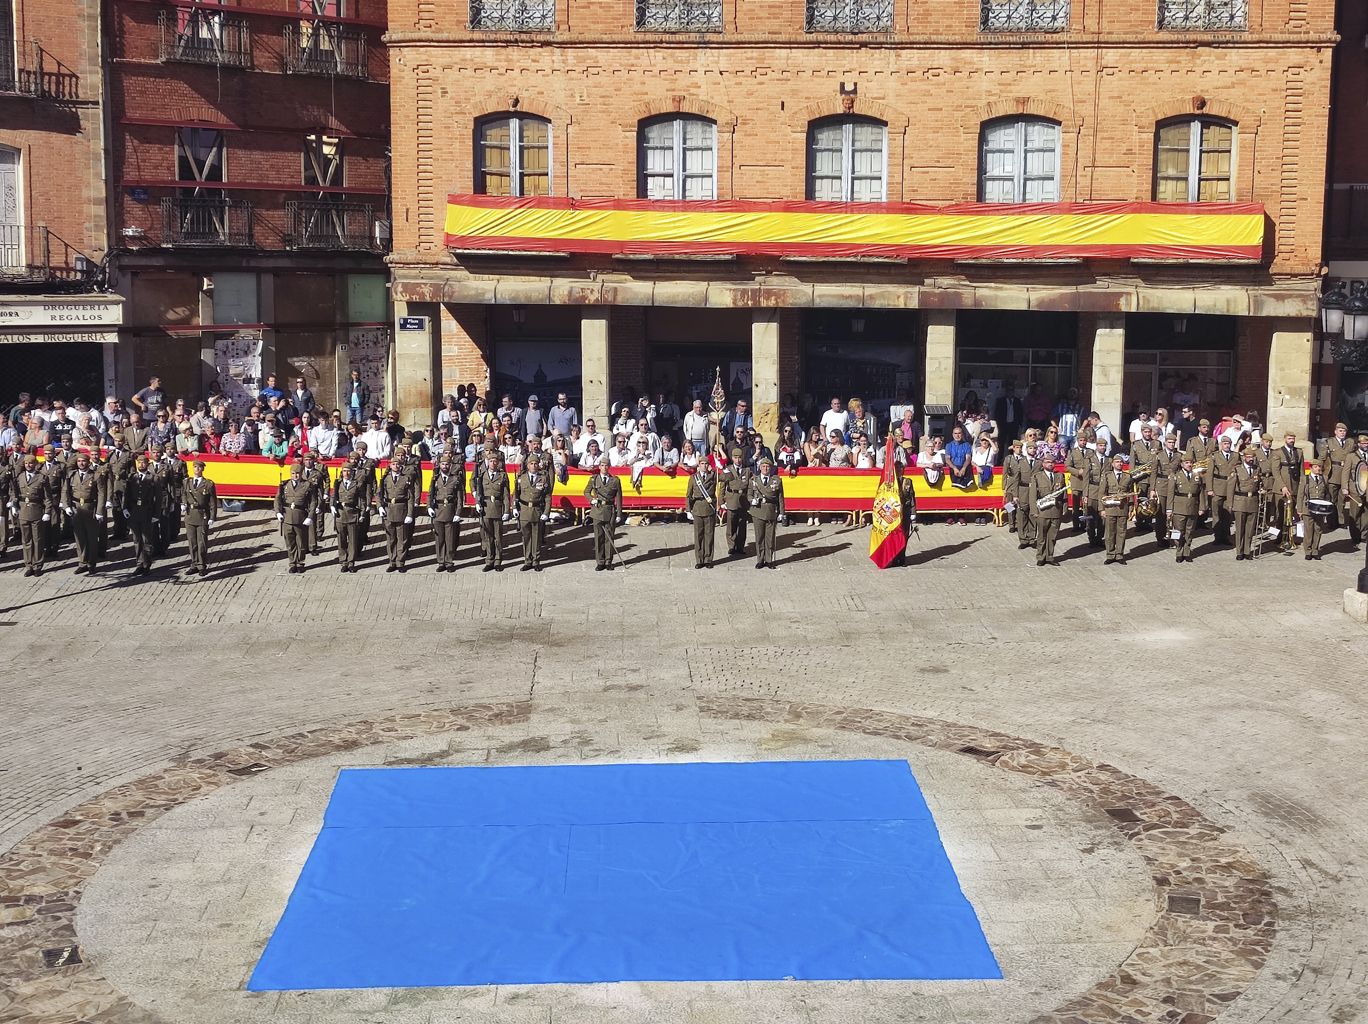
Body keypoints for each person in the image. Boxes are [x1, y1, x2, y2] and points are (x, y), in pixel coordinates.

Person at [61, 451, 104, 574]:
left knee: (91, 537)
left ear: (88, 462)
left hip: (90, 508)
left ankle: (92, 563)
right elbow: (65, 491)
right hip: (76, 509)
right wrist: (66, 505)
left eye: (84, 461)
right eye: (79, 461)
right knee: (79, 538)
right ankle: (82, 562)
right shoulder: (71, 475)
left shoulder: (95, 475)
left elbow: (101, 493)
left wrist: (100, 511)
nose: (81, 463)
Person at [13, 454, 54, 576]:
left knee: (37, 540)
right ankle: (28, 564)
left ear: (35, 464)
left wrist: (47, 512)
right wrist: (14, 506)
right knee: (26, 540)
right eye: (26, 463)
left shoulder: (42, 478)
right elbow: (15, 493)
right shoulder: (20, 477)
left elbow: (48, 497)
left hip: (36, 511)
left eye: (30, 463)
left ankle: (38, 565)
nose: (28, 465)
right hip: (23, 511)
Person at [124, 454, 164, 576]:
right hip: (134, 510)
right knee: (136, 539)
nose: (141, 464)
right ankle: (139, 564)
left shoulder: (153, 478)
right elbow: (127, 494)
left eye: (144, 462)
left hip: (147, 510)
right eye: (139, 462)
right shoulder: (132, 477)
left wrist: (156, 514)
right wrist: (125, 508)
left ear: (148, 464)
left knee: (146, 539)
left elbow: (158, 498)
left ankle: (147, 564)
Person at [376, 452, 415, 573]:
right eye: (393, 464)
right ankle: (392, 561)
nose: (396, 466)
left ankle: (400, 562)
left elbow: (410, 497)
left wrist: (410, 514)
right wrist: (379, 507)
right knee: (391, 538)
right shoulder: (385, 479)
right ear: (390, 465)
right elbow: (379, 494)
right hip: (388, 510)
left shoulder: (405, 479)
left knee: (401, 538)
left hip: (401, 509)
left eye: (397, 464)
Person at [473, 448, 511, 571]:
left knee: (498, 537)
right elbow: (479, 492)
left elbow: (506, 495)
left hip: (498, 508)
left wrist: (506, 511)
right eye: (491, 461)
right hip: (486, 508)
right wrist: (477, 503)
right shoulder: (482, 476)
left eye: (495, 461)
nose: (493, 463)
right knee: (488, 536)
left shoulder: (502, 476)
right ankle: (489, 560)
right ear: (487, 462)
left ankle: (498, 560)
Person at [274, 461, 314, 574]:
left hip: (300, 517)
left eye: (297, 473)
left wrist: (310, 516)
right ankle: (292, 563)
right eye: (293, 473)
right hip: (287, 517)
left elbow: (313, 502)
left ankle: (300, 563)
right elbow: (277, 499)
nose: (295, 475)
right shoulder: (284, 485)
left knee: (301, 543)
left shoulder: (307, 485)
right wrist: (278, 512)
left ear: (301, 473)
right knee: (290, 543)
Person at [515, 452, 552, 571]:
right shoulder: (521, 478)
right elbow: (515, 494)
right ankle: (527, 560)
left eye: (536, 463)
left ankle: (536, 561)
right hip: (525, 510)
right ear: (527, 465)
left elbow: (547, 497)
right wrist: (514, 508)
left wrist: (546, 512)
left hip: (537, 510)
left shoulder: (543, 478)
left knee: (536, 537)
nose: (534, 465)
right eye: (531, 463)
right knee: (526, 537)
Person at [180, 460, 218, 576]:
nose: (197, 469)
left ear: (203, 469)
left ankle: (202, 565)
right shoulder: (187, 482)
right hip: (190, 515)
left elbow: (213, 502)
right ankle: (194, 564)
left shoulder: (208, 484)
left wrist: (212, 516)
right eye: (195, 467)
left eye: (199, 467)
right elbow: (184, 494)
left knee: (201, 542)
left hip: (202, 515)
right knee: (192, 542)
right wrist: (183, 503)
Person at [1226, 447, 1265, 561]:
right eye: (1248, 457)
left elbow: (1259, 484)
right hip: (1240, 501)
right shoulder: (1237, 470)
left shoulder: (1257, 469)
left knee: (1250, 528)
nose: (1250, 459)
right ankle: (1239, 551)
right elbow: (1230, 488)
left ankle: (1247, 550)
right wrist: (1230, 503)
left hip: (1252, 501)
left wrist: (1262, 490)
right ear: (1244, 458)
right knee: (1240, 528)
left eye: (1252, 457)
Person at [583, 459, 622, 571]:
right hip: (598, 510)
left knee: (609, 537)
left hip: (610, 510)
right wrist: (591, 500)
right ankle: (600, 561)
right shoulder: (594, 479)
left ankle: (608, 561)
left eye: (606, 465)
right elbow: (586, 491)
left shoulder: (615, 480)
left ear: (609, 467)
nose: (604, 467)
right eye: (602, 465)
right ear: (599, 467)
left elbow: (619, 498)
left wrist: (619, 513)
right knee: (599, 537)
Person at [1026, 457, 1066, 566]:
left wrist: (1064, 508)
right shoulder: (1037, 477)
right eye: (1047, 462)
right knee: (1042, 536)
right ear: (1043, 464)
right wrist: (1034, 511)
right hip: (1042, 511)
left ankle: (1050, 556)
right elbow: (1033, 495)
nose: (1050, 464)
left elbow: (1064, 494)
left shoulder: (1060, 476)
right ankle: (1041, 557)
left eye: (1052, 462)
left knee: (1052, 536)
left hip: (1056, 510)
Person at [748, 455, 785, 569]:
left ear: (770, 468)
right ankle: (760, 559)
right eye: (763, 466)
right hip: (758, 511)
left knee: (770, 538)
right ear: (759, 468)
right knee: (759, 537)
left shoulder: (776, 480)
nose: (765, 468)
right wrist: (751, 500)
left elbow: (780, 497)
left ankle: (769, 560)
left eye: (767, 466)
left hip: (770, 511)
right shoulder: (754, 480)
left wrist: (782, 513)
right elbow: (749, 494)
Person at [1099, 452, 1135, 564]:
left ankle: (1119, 554)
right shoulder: (1107, 476)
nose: (1119, 464)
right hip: (1110, 507)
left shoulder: (1127, 476)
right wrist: (1102, 509)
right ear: (1113, 463)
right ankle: (1110, 554)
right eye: (1117, 462)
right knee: (1110, 532)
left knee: (1121, 532)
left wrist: (1131, 508)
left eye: (1121, 462)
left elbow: (1131, 493)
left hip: (1122, 508)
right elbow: (1101, 493)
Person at [1318, 422, 1354, 532]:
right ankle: (1331, 522)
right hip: (1332, 474)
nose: (1342, 433)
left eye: (1344, 431)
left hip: (1345, 474)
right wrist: (1319, 473)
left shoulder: (1350, 443)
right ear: (1335, 432)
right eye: (1340, 431)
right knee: (1331, 500)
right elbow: (1322, 458)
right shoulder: (1329, 442)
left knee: (1342, 500)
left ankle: (1340, 520)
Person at [1166, 453, 1202, 563]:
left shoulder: (1197, 476)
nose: (1189, 465)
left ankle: (1187, 552)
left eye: (1190, 463)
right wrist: (1169, 509)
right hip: (1179, 507)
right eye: (1186, 463)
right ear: (1182, 464)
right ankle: (1179, 551)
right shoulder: (1175, 476)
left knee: (1189, 531)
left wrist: (1202, 507)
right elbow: (1170, 493)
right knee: (1178, 531)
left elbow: (1201, 493)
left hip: (1192, 506)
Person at [331, 461, 365, 573]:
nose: (346, 473)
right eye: (344, 471)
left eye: (348, 471)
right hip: (340, 514)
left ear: (352, 472)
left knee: (352, 541)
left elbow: (361, 500)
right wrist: (332, 506)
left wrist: (362, 514)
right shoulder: (338, 484)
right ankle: (343, 561)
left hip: (352, 514)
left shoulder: (357, 484)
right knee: (341, 540)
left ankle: (351, 562)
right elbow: (333, 496)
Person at [687, 457, 718, 569]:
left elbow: (727, 477)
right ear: (698, 465)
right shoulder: (693, 478)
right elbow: (689, 495)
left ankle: (708, 559)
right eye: (702, 463)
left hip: (709, 508)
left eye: (706, 464)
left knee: (709, 535)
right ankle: (699, 559)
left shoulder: (713, 476)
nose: (704, 466)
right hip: (697, 508)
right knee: (698, 536)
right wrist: (688, 510)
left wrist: (716, 468)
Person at [1207, 434, 1237, 546]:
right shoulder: (1214, 456)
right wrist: (1209, 488)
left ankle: (1225, 536)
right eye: (1224, 444)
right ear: (1220, 445)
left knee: (1227, 514)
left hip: (1230, 489)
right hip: (1217, 488)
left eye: (1228, 444)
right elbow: (1209, 474)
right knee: (1216, 514)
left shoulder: (1235, 456)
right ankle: (1217, 536)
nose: (1227, 446)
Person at [1297, 459, 1330, 560]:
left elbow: (1327, 494)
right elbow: (1300, 495)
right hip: (1308, 508)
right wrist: (1299, 509)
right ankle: (1308, 550)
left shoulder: (1324, 478)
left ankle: (1315, 550)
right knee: (1308, 530)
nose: (1318, 469)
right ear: (1311, 468)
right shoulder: (1305, 479)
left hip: (1320, 509)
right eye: (1315, 467)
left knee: (1318, 529)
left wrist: (1327, 507)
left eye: (1319, 467)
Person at [720, 448, 751, 556]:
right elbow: (722, 486)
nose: (738, 460)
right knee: (731, 523)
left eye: (739, 457)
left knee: (742, 525)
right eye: (735, 457)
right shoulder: (728, 469)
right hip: (731, 498)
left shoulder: (747, 471)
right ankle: (731, 546)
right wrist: (721, 501)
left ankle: (740, 546)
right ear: (732, 458)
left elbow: (751, 486)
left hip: (743, 499)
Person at [1340, 434, 1368, 551]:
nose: (1366, 445)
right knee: (1355, 513)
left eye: (1367, 443)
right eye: (1363, 443)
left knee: (1366, 512)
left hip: (1367, 488)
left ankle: (1364, 535)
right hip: (1355, 488)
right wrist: (1344, 487)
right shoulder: (1351, 456)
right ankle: (1355, 537)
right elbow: (1345, 472)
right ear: (1358, 444)